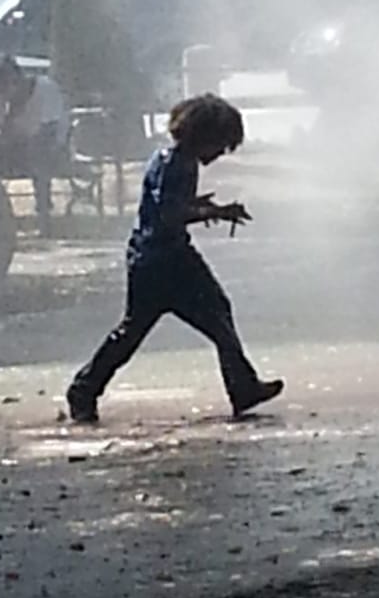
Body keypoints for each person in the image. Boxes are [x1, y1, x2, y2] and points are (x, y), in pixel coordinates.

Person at [66, 93, 283, 424]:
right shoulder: (178, 164)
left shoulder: (171, 158)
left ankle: (85, 389)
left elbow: (168, 205)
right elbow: (170, 213)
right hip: (166, 259)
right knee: (206, 316)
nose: (222, 152)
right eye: (222, 144)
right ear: (205, 135)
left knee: (139, 329)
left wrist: (201, 207)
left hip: (153, 255)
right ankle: (242, 386)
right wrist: (214, 211)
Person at [0, 58, 70, 236]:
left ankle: (43, 216)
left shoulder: (45, 89)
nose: (6, 91)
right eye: (1, 87)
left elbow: (50, 129)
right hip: (16, 146)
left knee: (38, 154)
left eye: (9, 85)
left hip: (53, 145)